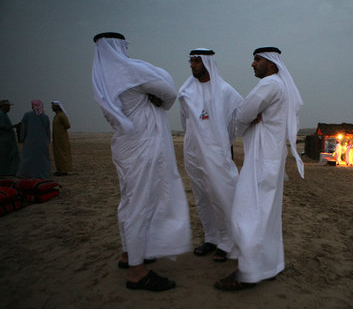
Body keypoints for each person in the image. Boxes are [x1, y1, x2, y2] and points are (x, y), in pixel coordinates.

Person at [92, 32, 191, 292]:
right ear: (120, 47)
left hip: (125, 146)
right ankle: (137, 272)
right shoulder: (131, 71)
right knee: (140, 206)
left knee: (128, 202)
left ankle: (128, 255)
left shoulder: (102, 79)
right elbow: (169, 91)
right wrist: (160, 101)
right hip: (143, 147)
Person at [215, 47, 304, 291]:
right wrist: (247, 116)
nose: (252, 64)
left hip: (262, 159)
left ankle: (247, 272)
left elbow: (242, 112)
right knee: (266, 215)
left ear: (272, 64)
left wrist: (242, 116)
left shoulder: (269, 84)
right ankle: (269, 266)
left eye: (257, 60)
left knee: (248, 213)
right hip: (270, 158)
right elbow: (247, 114)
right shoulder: (281, 85)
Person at [178, 48, 242, 262]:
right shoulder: (185, 91)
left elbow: (236, 121)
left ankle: (228, 241)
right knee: (202, 196)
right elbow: (184, 121)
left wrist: (221, 144)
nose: (193, 65)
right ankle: (211, 237)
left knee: (223, 194)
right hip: (193, 152)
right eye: (191, 61)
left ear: (207, 63)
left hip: (217, 152)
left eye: (197, 61)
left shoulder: (226, 91)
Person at [17, 99, 51, 179]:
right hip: (42, 141)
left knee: (28, 157)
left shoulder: (27, 115)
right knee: (42, 158)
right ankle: (42, 174)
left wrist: (22, 138)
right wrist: (48, 140)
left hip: (30, 140)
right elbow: (47, 130)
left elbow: (23, 128)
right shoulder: (45, 117)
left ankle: (26, 173)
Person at [51, 101, 72, 176]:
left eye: (53, 106)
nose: (52, 107)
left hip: (62, 139)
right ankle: (59, 169)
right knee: (58, 154)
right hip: (57, 139)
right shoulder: (56, 116)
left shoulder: (61, 116)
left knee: (62, 154)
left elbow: (67, 125)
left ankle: (64, 170)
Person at [0, 99, 20, 176]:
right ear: (3, 106)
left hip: (7, 139)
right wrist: (13, 126)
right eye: (8, 106)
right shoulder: (1, 114)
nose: (9, 108)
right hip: (4, 140)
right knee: (6, 156)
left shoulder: (4, 114)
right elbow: (2, 126)